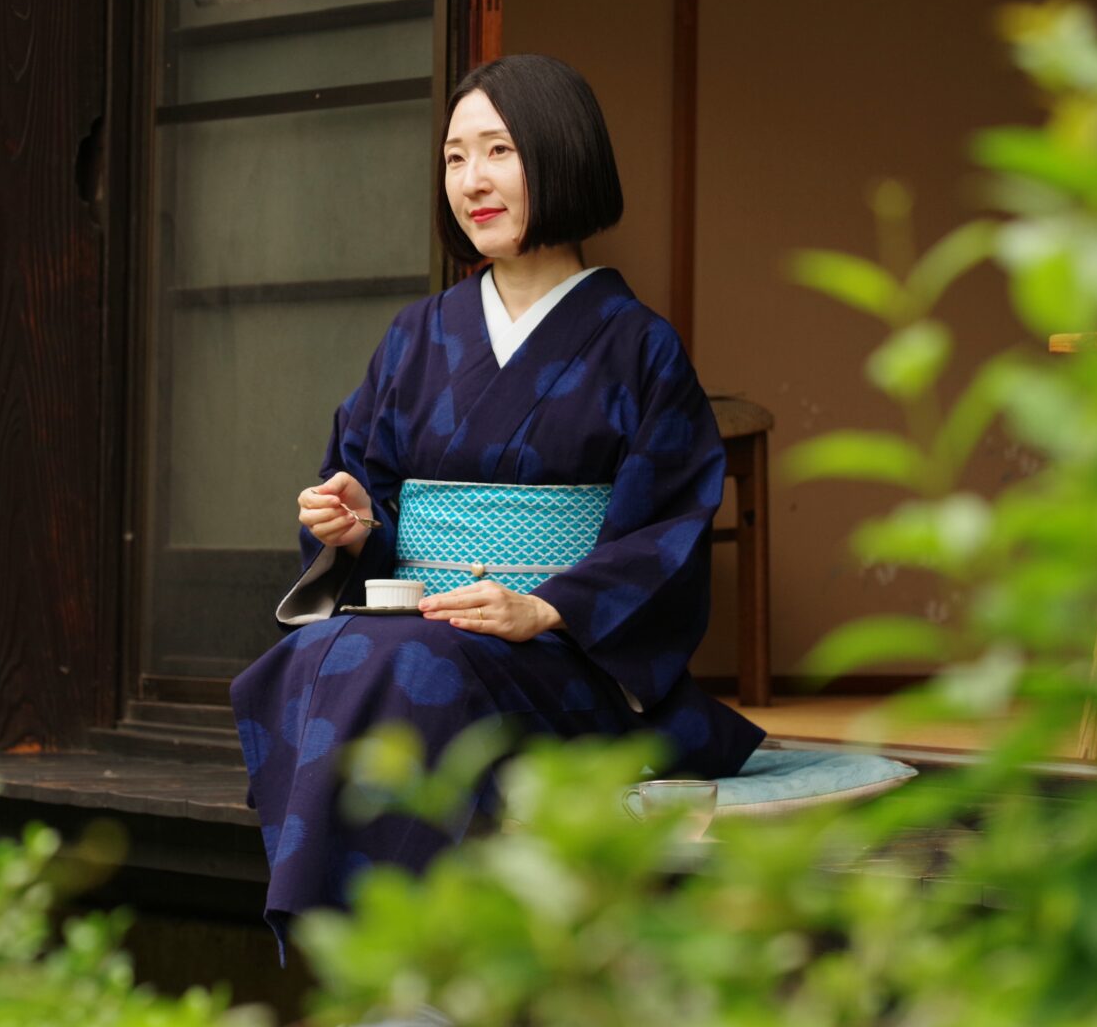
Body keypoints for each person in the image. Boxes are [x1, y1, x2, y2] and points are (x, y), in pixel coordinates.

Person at [229, 53, 765, 945]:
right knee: (313, 659)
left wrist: (546, 605)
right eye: (453, 159)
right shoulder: (415, 337)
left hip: (556, 659)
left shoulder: (640, 349)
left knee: (396, 666)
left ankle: (400, 962)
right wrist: (357, 531)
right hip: (423, 633)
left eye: (498, 151)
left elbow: (666, 528)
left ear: (561, 157)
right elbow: (370, 489)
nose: (471, 182)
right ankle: (375, 955)